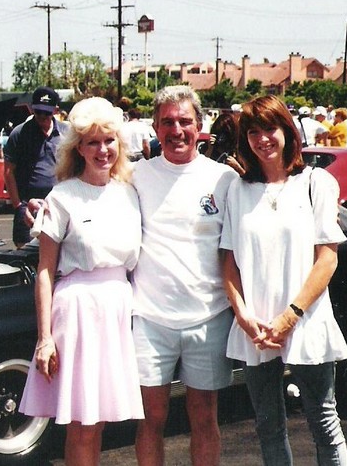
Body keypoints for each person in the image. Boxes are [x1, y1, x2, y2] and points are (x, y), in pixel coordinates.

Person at [220, 95, 347, 465]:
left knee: (323, 422)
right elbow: (228, 264)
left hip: (305, 322)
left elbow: (327, 259)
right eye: (254, 132)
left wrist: (290, 316)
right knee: (268, 426)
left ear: (287, 132)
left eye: (270, 129)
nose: (263, 139)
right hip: (256, 329)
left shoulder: (315, 182)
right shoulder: (237, 190)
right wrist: (245, 318)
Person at [19, 97, 143, 465]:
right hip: (77, 311)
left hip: (119, 309)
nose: (102, 150)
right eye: (92, 142)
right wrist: (45, 339)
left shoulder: (130, 193)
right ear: (79, 148)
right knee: (81, 424)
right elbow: (44, 270)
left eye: (109, 141)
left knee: (101, 421)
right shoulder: (62, 196)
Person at [131, 85, 239, 466]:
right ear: (155, 128)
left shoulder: (224, 179)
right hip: (149, 319)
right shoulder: (134, 176)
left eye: (184, 121)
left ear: (200, 126)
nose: (176, 130)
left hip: (208, 318)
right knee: (151, 418)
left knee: (204, 418)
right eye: (167, 122)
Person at [3, 86, 66, 247]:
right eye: (38, 112)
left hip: (59, 205)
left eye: (47, 112)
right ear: (32, 109)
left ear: (56, 110)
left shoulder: (67, 133)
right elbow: (9, 172)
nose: (42, 116)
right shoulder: (19, 133)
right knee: (25, 254)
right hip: (27, 205)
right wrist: (18, 206)